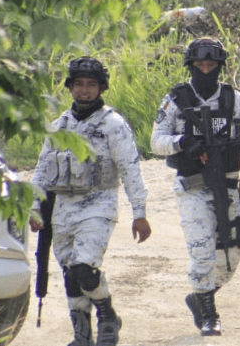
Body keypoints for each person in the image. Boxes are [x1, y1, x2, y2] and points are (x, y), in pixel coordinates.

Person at [149, 37, 240, 337]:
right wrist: (183, 142)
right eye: (200, 65)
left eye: (211, 65)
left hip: (228, 185)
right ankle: (209, 314)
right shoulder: (176, 99)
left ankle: (200, 295)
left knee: (231, 255)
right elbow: (156, 141)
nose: (205, 70)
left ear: (220, 66)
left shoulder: (233, 99)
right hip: (192, 188)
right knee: (202, 251)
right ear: (190, 66)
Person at [30, 57, 151, 346]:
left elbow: (130, 169)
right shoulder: (59, 126)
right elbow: (42, 169)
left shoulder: (113, 125)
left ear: (101, 88)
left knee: (84, 268)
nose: (84, 90)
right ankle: (81, 336)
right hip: (62, 209)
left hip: (98, 204)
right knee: (70, 274)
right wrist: (34, 207)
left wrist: (140, 212)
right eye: (79, 84)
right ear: (70, 87)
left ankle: (107, 315)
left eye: (91, 85)